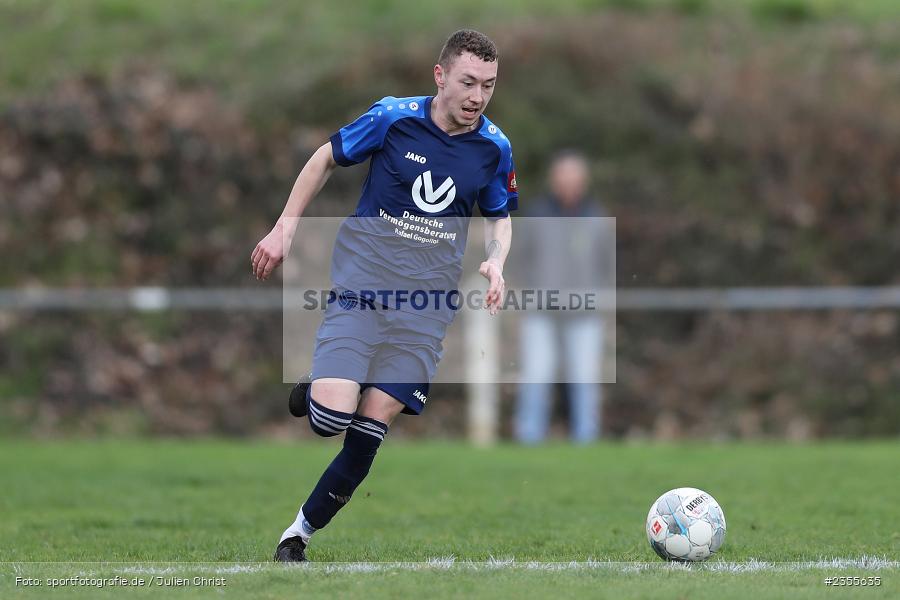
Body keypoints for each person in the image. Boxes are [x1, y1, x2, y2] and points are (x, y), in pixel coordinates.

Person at [250, 29, 518, 562]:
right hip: (363, 290)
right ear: (440, 76)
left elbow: (500, 215)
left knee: (370, 428)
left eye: (488, 85)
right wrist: (285, 227)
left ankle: (297, 536)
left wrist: (496, 260)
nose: (478, 96)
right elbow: (324, 158)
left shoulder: (494, 147)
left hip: (426, 311)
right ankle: (319, 386)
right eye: (468, 82)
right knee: (329, 420)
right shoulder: (394, 117)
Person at [513, 150, 605, 444]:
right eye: (563, 179)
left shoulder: (596, 216)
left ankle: (586, 440)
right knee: (536, 375)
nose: (569, 185)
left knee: (585, 378)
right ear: (554, 181)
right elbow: (521, 258)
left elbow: (605, 263)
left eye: (574, 180)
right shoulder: (537, 213)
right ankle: (529, 438)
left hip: (584, 313)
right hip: (541, 311)